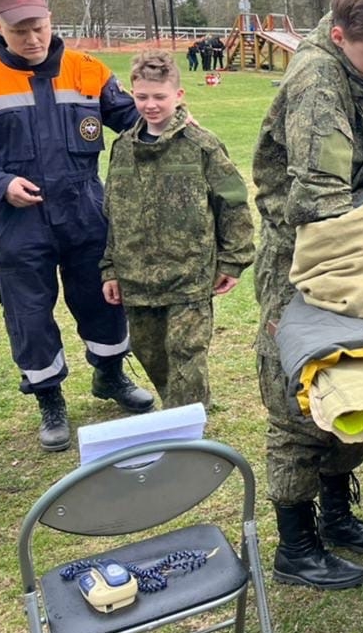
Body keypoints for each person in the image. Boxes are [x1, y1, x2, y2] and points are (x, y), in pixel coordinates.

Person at [252, 0, 363, 590]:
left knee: (346, 378)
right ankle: (296, 545)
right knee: (297, 392)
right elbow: (319, 201)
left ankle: (338, 517)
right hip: (303, 257)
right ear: (341, 34)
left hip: (353, 247)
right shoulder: (317, 83)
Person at [0, 0, 155, 453]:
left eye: (38, 27)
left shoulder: (88, 70)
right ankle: (49, 399)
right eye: (19, 31)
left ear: (50, 19)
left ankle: (110, 375)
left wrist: (168, 119)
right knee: (29, 312)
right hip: (19, 220)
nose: (32, 39)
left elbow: (129, 118)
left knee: (103, 297)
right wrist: (0, 184)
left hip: (84, 210)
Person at [101, 51, 255, 409]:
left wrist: (233, 261)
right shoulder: (123, 149)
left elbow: (232, 203)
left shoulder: (202, 146)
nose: (150, 105)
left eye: (159, 97)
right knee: (151, 353)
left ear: (178, 96)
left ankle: (186, 433)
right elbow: (113, 215)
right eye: (142, 97)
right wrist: (110, 269)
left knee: (187, 355)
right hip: (136, 280)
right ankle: (184, 407)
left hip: (190, 277)